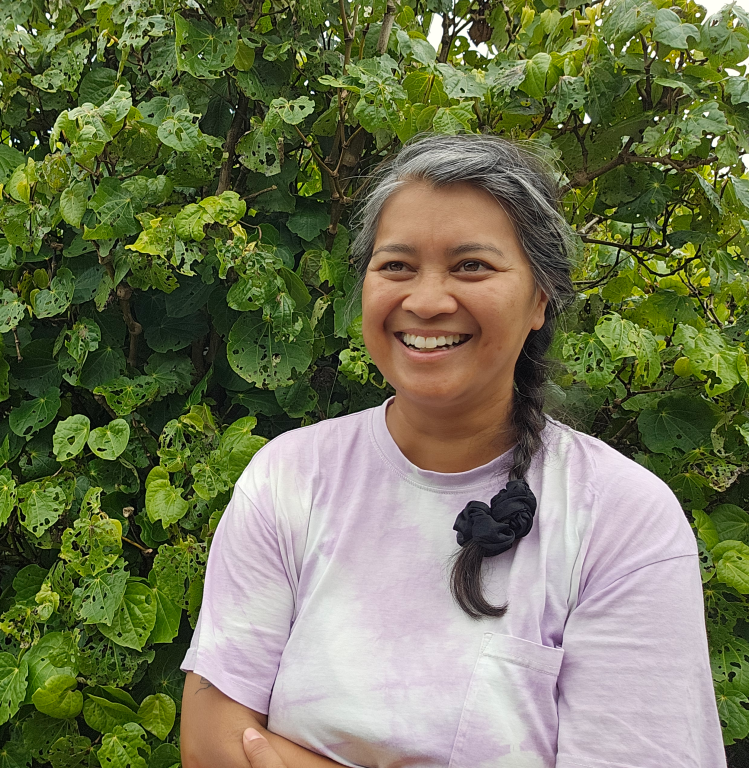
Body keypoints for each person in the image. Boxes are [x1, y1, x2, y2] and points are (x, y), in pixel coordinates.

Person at [177, 134, 726, 768]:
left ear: (540, 299)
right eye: (397, 266)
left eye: (471, 266)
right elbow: (211, 740)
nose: (428, 300)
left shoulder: (623, 520)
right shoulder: (289, 477)